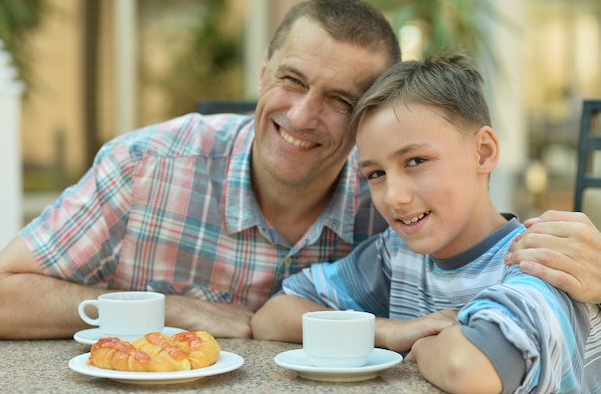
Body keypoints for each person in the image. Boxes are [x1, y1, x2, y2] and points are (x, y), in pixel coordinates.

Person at [0, 0, 401, 340]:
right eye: (292, 80)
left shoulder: (392, 206)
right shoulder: (144, 167)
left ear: (367, 117)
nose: (303, 116)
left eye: (340, 101)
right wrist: (171, 311)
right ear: (263, 72)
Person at [251, 53, 601, 394]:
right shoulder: (396, 256)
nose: (394, 196)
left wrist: (420, 348)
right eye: (376, 174)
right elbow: (273, 316)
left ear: (483, 152)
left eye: (416, 160)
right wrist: (390, 332)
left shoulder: (540, 259)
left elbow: (467, 369)